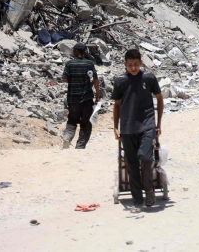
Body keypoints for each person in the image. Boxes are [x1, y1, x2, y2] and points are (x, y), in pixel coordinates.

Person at [112, 48, 164, 211]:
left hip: (147, 124)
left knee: (145, 157)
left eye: (136, 64)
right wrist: (115, 127)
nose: (133, 68)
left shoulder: (149, 78)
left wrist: (159, 123)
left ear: (141, 63)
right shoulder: (120, 81)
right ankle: (137, 201)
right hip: (127, 127)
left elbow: (160, 99)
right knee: (132, 164)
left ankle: (149, 189)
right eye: (129, 65)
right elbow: (117, 105)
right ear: (125, 65)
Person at [61, 42, 101, 149]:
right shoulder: (89, 64)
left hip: (73, 99)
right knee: (86, 123)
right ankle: (80, 146)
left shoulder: (69, 64)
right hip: (86, 99)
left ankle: (67, 138)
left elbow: (64, 79)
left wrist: (73, 79)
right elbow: (95, 80)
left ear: (76, 51)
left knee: (72, 121)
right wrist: (98, 95)